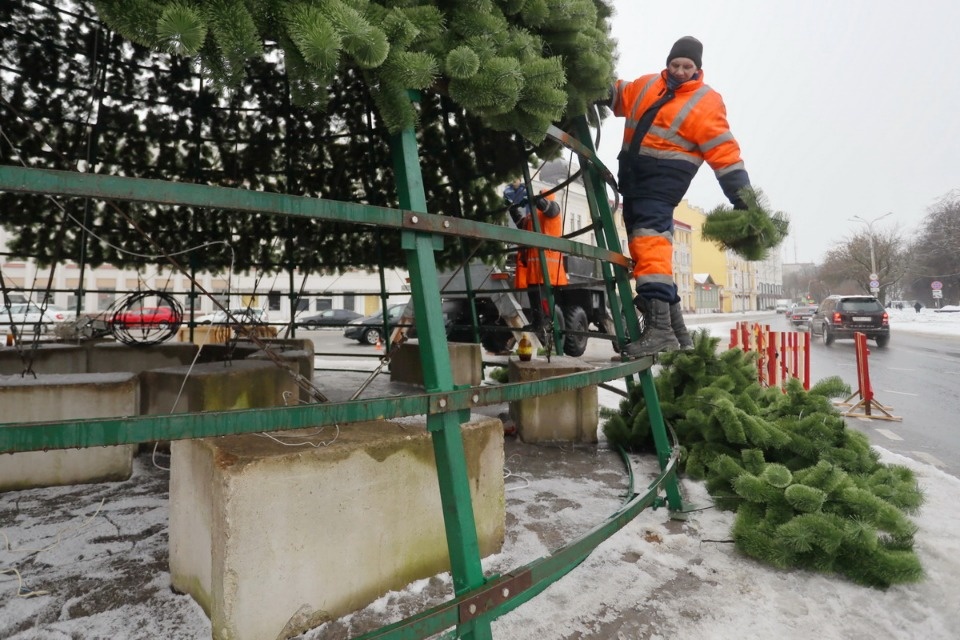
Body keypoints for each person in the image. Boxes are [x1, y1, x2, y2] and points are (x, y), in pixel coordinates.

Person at [610, 36, 752, 356]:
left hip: (662, 185)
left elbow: (725, 154)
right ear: (668, 63)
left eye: (687, 66)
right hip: (633, 182)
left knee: (650, 242)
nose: (680, 71)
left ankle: (659, 330)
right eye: (675, 64)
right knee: (645, 250)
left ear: (698, 69)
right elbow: (616, 93)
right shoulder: (646, 86)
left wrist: (743, 200)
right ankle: (679, 332)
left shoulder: (706, 101)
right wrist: (591, 84)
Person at [505, 184, 568, 330]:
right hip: (536, 268)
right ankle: (538, 323)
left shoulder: (554, 211)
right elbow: (522, 224)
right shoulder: (532, 217)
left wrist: (535, 199)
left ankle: (547, 325)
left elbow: (548, 208)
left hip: (548, 267)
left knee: (543, 299)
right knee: (534, 296)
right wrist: (513, 209)